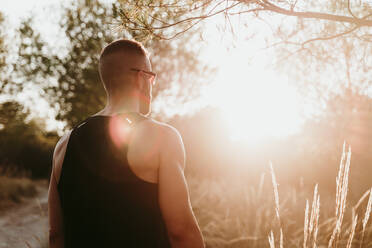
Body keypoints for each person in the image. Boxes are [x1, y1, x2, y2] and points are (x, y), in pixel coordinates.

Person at [48, 39, 205, 248]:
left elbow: (56, 235)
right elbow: (181, 231)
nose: (151, 84)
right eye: (151, 77)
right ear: (141, 78)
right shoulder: (162, 137)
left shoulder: (64, 144)